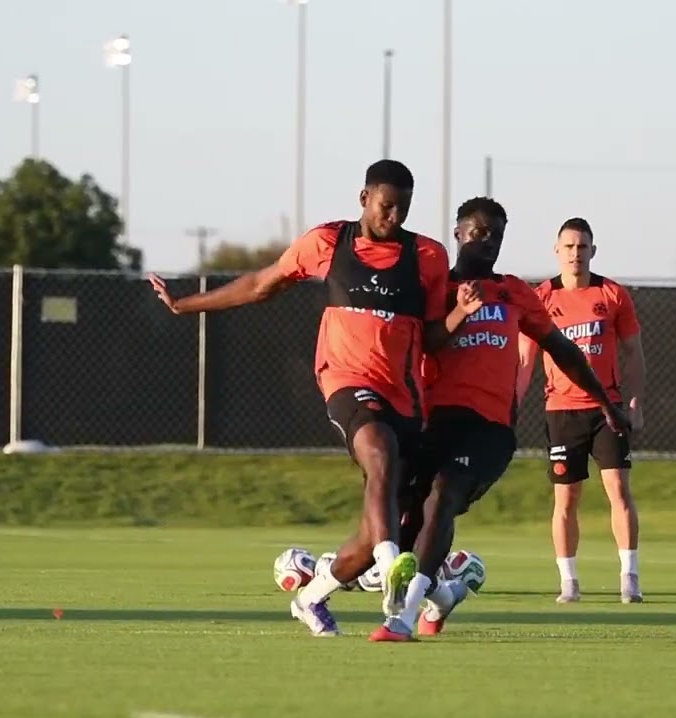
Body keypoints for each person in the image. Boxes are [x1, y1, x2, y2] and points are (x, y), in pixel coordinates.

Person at [149, 160, 477, 637]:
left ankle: (311, 597)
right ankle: (390, 570)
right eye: (387, 205)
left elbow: (431, 337)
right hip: (345, 378)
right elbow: (261, 284)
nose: (394, 216)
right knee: (379, 454)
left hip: (403, 395)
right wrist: (184, 305)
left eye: (404, 207)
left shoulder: (427, 255)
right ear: (364, 198)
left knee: (371, 530)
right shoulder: (328, 241)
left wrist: (460, 315)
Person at [368, 198, 630, 642]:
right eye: (478, 232)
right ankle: (438, 594)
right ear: (458, 233)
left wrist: (604, 400)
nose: (488, 242)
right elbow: (423, 342)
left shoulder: (513, 291)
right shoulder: (435, 287)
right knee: (410, 516)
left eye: (497, 235)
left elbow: (562, 349)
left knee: (443, 496)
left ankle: (404, 617)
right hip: (434, 422)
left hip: (490, 428)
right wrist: (458, 312)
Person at [516, 217, 648, 604]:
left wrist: (635, 401)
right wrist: (508, 408)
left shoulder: (612, 294)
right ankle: (569, 581)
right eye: (569, 246)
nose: (576, 253)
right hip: (562, 411)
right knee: (566, 499)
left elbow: (633, 352)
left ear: (593, 250)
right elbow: (525, 360)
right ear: (557, 251)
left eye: (583, 246)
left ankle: (630, 575)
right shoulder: (540, 298)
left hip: (606, 409)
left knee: (619, 490)